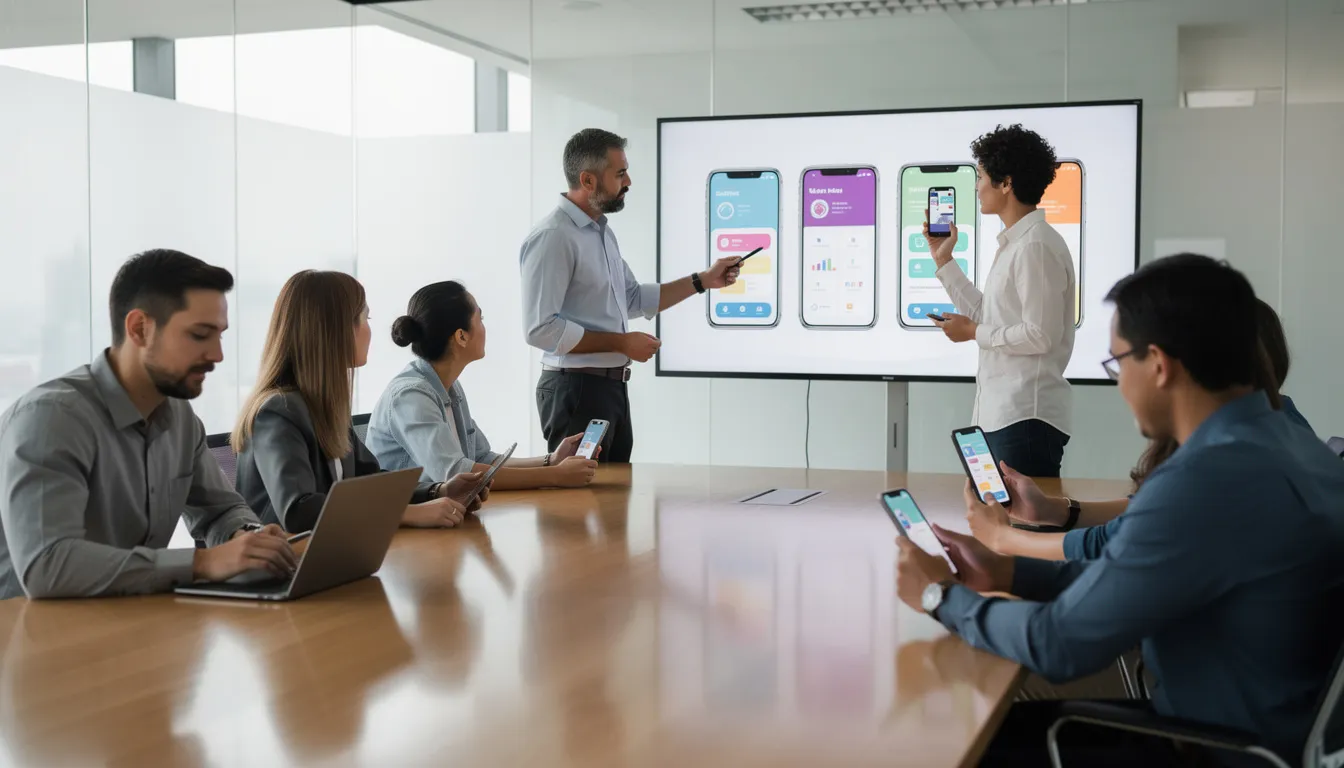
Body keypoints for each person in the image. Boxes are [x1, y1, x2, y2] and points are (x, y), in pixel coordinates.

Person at [896, 254, 1344, 766]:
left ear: (1158, 364)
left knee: (968, 734)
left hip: (1214, 748)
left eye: (1117, 362)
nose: (1117, 383)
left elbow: (1059, 644)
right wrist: (1007, 570)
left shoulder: (1205, 482)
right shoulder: (1294, 445)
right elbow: (1124, 576)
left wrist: (938, 595)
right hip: (1271, 729)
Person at [0, 249, 297, 600]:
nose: (218, 355)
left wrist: (247, 539)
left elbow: (221, 511)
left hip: (129, 622)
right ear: (140, 329)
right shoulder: (51, 419)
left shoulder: (181, 419)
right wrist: (201, 563)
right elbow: (47, 565)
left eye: (220, 335)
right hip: (36, 639)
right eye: (200, 335)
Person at [970, 298, 1313, 563]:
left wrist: (1002, 539)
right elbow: (1148, 513)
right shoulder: (1282, 425)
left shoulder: (1223, 462)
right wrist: (1054, 511)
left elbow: (1122, 543)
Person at [520, 127, 743, 463]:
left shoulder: (601, 233)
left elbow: (634, 298)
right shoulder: (553, 237)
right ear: (589, 180)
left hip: (609, 389)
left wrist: (703, 280)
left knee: (614, 504)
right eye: (620, 173)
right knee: (576, 508)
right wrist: (621, 344)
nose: (629, 182)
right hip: (576, 391)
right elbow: (541, 330)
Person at [232, 271, 482, 534]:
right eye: (365, 318)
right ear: (334, 329)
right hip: (287, 566)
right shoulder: (278, 411)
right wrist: (407, 513)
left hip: (330, 556)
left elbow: (371, 481)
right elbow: (299, 511)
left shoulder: (324, 406)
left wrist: (437, 490)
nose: (369, 330)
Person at [926, 124, 1076, 477]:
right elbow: (990, 317)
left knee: (1022, 526)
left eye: (980, 177)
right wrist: (944, 261)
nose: (976, 187)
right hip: (999, 416)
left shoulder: (1035, 246)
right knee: (997, 525)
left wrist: (975, 332)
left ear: (1006, 183)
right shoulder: (1018, 245)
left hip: (1024, 417)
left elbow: (1040, 334)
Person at [367, 281, 599, 489]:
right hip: (408, 528)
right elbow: (455, 474)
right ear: (461, 336)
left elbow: (484, 459)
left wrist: (551, 461)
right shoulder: (411, 395)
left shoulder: (449, 386)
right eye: (481, 319)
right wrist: (555, 476)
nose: (485, 328)